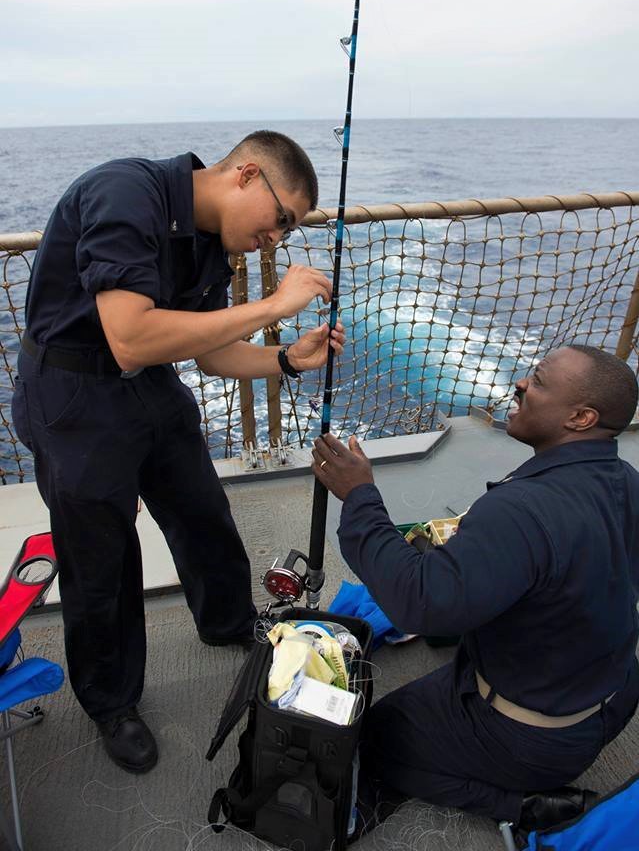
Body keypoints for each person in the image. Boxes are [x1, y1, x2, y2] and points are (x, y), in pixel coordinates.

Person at [12, 130, 345, 774]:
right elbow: (131, 336)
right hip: (73, 391)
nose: (275, 239)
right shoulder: (123, 193)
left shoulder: (213, 240)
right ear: (246, 174)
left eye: (287, 231)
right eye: (281, 220)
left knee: (201, 510)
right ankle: (112, 702)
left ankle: (228, 622)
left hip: (149, 384)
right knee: (102, 555)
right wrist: (274, 305)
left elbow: (211, 354)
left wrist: (285, 358)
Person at [312, 345, 639, 841]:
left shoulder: (521, 510)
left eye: (539, 381)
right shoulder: (627, 481)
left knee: (375, 736)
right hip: (612, 696)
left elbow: (421, 605)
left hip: (537, 740)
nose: (521, 384)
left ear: (581, 418)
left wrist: (359, 495)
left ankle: (522, 805)